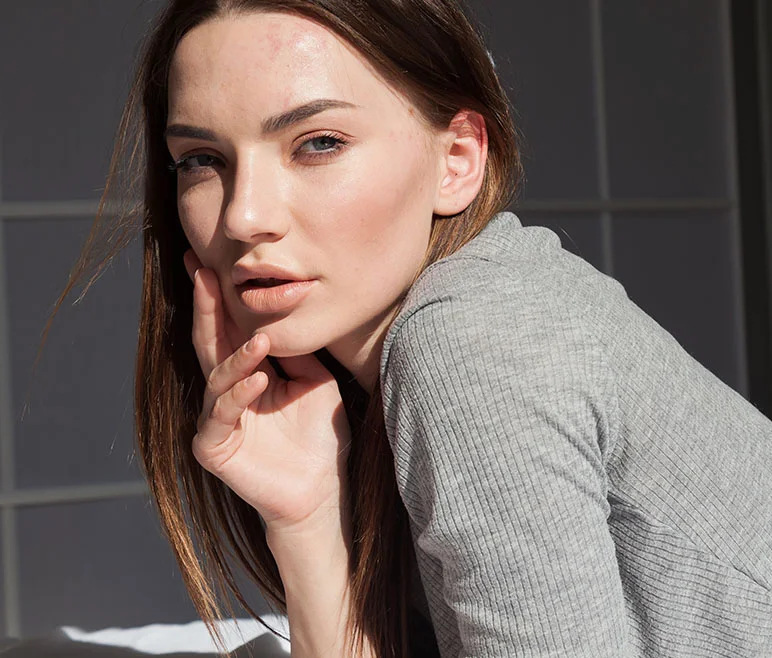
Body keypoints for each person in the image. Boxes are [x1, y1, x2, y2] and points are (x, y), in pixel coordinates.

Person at [54, 0, 772, 656]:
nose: (243, 216)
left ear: (456, 160)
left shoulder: (473, 344)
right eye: (202, 161)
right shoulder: (405, 365)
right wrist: (308, 519)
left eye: (318, 143)